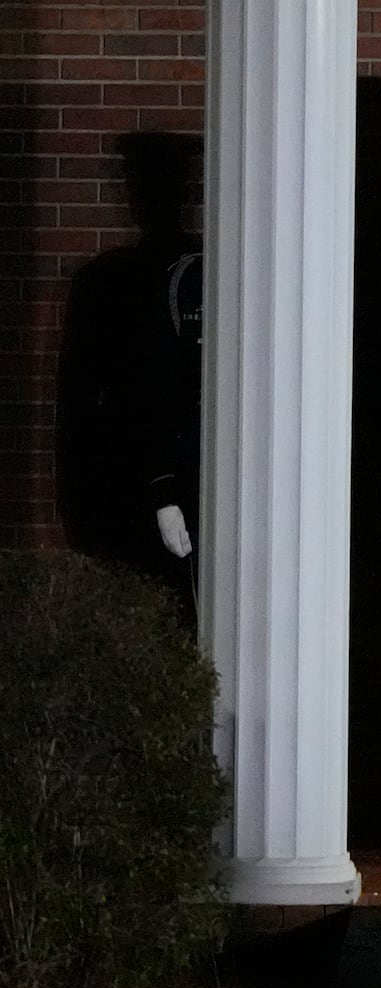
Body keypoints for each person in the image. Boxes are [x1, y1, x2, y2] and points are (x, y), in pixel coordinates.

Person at [57, 131, 204, 632]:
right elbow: (79, 402)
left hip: (182, 474)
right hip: (123, 480)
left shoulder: (206, 271)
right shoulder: (105, 282)